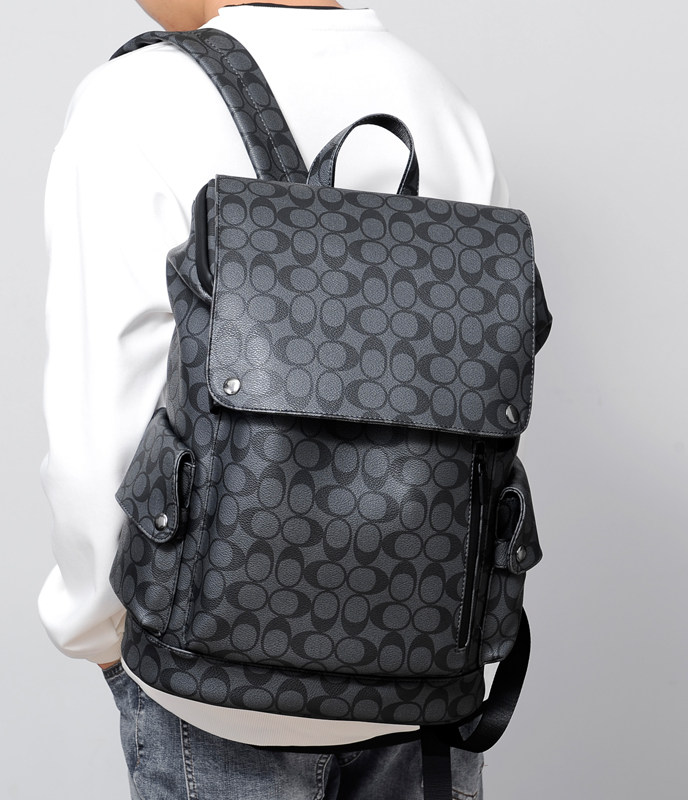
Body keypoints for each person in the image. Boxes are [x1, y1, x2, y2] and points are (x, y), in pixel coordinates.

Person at [38, 2, 510, 797]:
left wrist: (101, 633)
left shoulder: (138, 97)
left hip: (213, 685)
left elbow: (100, 427)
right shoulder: (438, 97)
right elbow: (484, 412)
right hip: (425, 683)